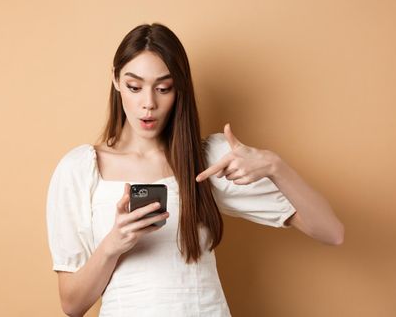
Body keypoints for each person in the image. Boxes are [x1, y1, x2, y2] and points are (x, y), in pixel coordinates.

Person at [46, 23, 344, 317]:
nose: (148, 104)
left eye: (163, 88)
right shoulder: (80, 169)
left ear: (179, 89)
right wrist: (113, 244)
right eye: (134, 87)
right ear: (116, 80)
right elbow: (72, 305)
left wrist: (274, 166)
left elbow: (331, 232)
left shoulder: (208, 160)